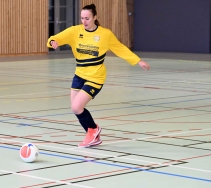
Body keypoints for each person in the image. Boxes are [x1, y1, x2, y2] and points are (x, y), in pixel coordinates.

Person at [47, 4, 150, 148]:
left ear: (95, 17)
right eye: (82, 18)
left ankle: (93, 130)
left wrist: (137, 60)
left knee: (77, 107)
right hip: (79, 75)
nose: (84, 21)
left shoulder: (105, 34)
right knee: (75, 108)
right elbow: (55, 38)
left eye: (87, 18)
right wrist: (53, 42)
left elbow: (120, 48)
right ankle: (93, 134)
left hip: (95, 77)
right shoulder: (75, 31)